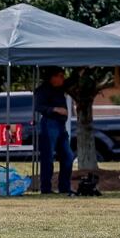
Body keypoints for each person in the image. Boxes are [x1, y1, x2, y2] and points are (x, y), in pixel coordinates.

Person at [34, 67, 75, 195]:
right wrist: (55, 109)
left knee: (68, 156)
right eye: (60, 76)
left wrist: (81, 70)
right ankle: (46, 188)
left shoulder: (60, 88)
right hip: (49, 123)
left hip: (61, 125)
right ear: (53, 77)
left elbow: (71, 81)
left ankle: (64, 187)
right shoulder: (42, 90)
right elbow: (38, 106)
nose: (63, 78)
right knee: (48, 157)